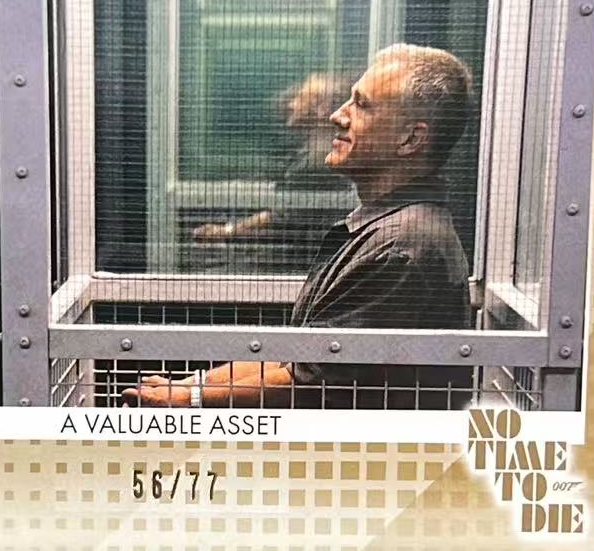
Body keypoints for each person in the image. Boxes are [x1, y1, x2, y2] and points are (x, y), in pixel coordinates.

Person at [125, 44, 475, 410]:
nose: (338, 115)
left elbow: (313, 379)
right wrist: (196, 383)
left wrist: (189, 397)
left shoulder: (401, 246)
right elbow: (301, 354)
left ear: (411, 139)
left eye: (362, 105)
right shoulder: (387, 228)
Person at [191, 72, 354, 257]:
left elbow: (281, 219)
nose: (291, 104)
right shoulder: (316, 152)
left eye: (300, 97)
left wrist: (227, 231)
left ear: (321, 109)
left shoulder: (318, 161)